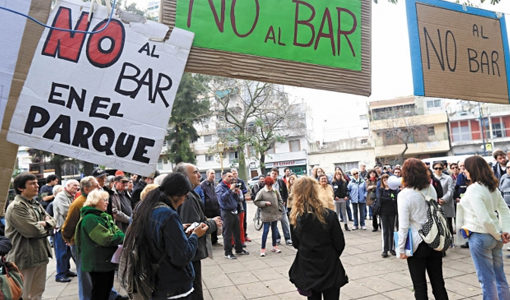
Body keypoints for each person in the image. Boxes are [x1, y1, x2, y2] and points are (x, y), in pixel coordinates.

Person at [122, 173, 208, 299]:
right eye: (185, 196)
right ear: (178, 195)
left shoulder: (142, 207)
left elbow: (155, 238)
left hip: (149, 282)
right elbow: (182, 256)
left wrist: (179, 230)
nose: (185, 200)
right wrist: (195, 235)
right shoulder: (168, 215)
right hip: (172, 286)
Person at [456, 155, 510, 300]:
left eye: (465, 168)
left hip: (481, 235)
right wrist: (504, 231)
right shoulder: (491, 187)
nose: (464, 172)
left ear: (472, 169)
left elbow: (484, 218)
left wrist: (500, 234)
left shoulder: (474, 189)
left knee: (486, 280)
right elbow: (504, 211)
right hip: (494, 235)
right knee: (500, 276)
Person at [397, 158, 449, 300]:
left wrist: (401, 248)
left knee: (419, 285)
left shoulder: (404, 195)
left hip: (416, 242)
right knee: (438, 282)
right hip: (434, 238)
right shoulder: (430, 188)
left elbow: (403, 225)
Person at [289, 177, 348, 300]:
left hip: (308, 265)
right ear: (316, 191)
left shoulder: (295, 217)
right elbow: (339, 243)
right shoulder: (329, 215)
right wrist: (331, 254)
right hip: (329, 264)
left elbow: (296, 243)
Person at [6, 173, 57, 300]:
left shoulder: (35, 203)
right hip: (24, 258)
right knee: (23, 294)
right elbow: (32, 231)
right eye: (32, 183)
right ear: (21, 188)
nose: (37, 185)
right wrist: (47, 227)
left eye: (37, 183)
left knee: (37, 293)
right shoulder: (17, 207)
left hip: (40, 254)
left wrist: (45, 223)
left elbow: (53, 221)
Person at [174, 163, 220, 300]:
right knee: (194, 291)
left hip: (191, 254)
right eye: (195, 172)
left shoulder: (190, 194)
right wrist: (212, 223)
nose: (200, 175)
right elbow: (191, 228)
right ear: (184, 177)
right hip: (191, 255)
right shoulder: (187, 198)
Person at [76, 190, 125, 300]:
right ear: (95, 201)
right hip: (98, 262)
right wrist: (119, 236)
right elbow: (106, 239)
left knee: (106, 290)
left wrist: (118, 235)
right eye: (104, 200)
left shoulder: (103, 216)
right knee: (99, 293)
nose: (107, 202)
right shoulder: (91, 218)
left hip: (106, 261)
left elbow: (118, 232)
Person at [62, 176, 99, 300]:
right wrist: (69, 239)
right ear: (87, 189)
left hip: (91, 244)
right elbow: (68, 226)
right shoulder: (78, 203)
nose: (99, 188)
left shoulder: (93, 201)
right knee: (85, 276)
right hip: (80, 244)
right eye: (96, 186)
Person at [216, 171, 249, 259]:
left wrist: (237, 193)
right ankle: (228, 252)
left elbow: (238, 200)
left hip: (235, 210)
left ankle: (239, 249)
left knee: (237, 231)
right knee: (227, 233)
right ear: (223, 177)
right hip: (226, 212)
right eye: (229, 176)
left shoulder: (231, 186)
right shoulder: (220, 187)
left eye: (231, 176)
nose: (231, 178)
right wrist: (230, 190)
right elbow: (222, 199)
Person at [53, 179, 80, 283]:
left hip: (68, 227)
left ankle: (66, 270)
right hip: (61, 228)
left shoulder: (71, 196)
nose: (76, 188)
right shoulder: (61, 196)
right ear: (67, 186)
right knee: (62, 252)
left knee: (68, 252)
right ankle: (60, 274)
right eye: (74, 186)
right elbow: (66, 211)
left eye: (77, 186)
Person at [254, 177, 284, 257]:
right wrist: (265, 203)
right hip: (266, 214)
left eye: (271, 185)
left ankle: (274, 246)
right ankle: (263, 248)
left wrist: (279, 208)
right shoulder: (262, 192)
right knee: (265, 231)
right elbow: (256, 201)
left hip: (275, 213)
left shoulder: (275, 190)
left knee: (274, 230)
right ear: (266, 184)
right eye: (268, 185)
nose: (270, 187)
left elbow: (280, 200)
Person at [270, 168, 292, 245]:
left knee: (284, 221)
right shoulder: (268, 182)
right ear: (270, 174)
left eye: (275, 174)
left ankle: (287, 238)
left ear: (277, 175)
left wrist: (285, 201)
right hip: (271, 206)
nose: (274, 175)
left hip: (281, 205)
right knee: (273, 222)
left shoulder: (281, 182)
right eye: (272, 173)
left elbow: (285, 192)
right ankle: (277, 237)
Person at [378, 174, 398, 258]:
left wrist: (388, 199)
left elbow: (394, 200)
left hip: (392, 212)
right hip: (383, 212)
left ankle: (391, 248)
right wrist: (389, 199)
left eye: (387, 180)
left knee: (392, 230)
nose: (386, 182)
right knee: (385, 231)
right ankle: (385, 249)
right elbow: (380, 199)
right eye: (384, 180)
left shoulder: (393, 190)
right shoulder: (381, 190)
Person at [432, 162, 455, 238]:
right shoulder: (431, 179)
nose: (438, 170)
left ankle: (451, 240)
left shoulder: (448, 178)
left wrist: (443, 199)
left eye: (440, 168)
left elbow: (450, 191)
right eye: (436, 168)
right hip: (435, 204)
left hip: (446, 204)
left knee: (448, 223)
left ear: (443, 169)